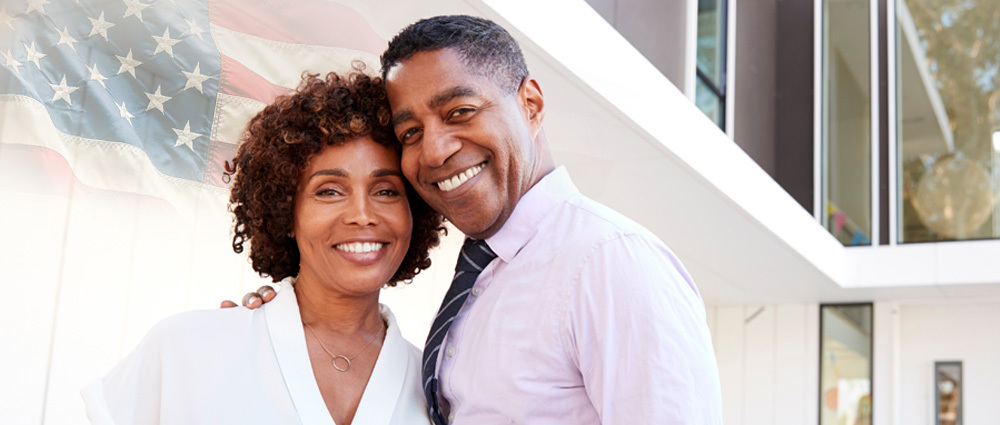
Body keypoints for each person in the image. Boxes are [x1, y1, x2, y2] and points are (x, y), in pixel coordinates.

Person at [246, 15, 723, 424]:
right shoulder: (484, 278)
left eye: (461, 111)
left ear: (531, 105)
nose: (435, 150)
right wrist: (273, 327)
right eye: (411, 132)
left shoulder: (610, 261)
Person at [82, 70, 444, 424]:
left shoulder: (442, 391)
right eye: (329, 191)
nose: (362, 215)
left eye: (386, 191)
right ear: (285, 210)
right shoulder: (186, 349)